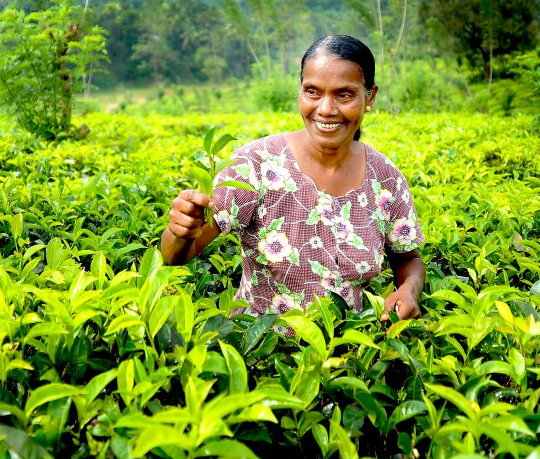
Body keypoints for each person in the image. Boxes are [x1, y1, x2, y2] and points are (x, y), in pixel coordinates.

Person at [161, 35, 425, 322]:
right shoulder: (256, 165)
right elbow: (177, 254)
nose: (325, 109)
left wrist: (409, 290)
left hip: (350, 353)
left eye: (344, 94)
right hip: (260, 350)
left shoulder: (386, 180)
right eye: (312, 92)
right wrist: (180, 231)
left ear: (370, 97)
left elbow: (407, 258)